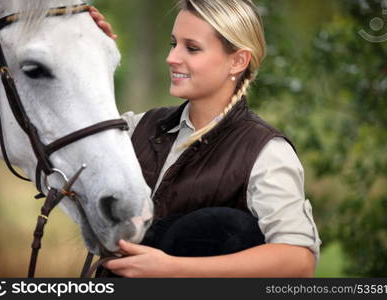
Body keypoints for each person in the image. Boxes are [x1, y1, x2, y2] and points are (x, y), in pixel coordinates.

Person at [89, 0, 321, 277]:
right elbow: (51, 133)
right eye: (173, 43)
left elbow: (298, 259)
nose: (172, 57)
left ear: (238, 61)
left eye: (192, 48)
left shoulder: (266, 152)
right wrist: (83, 47)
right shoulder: (137, 127)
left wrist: (172, 269)